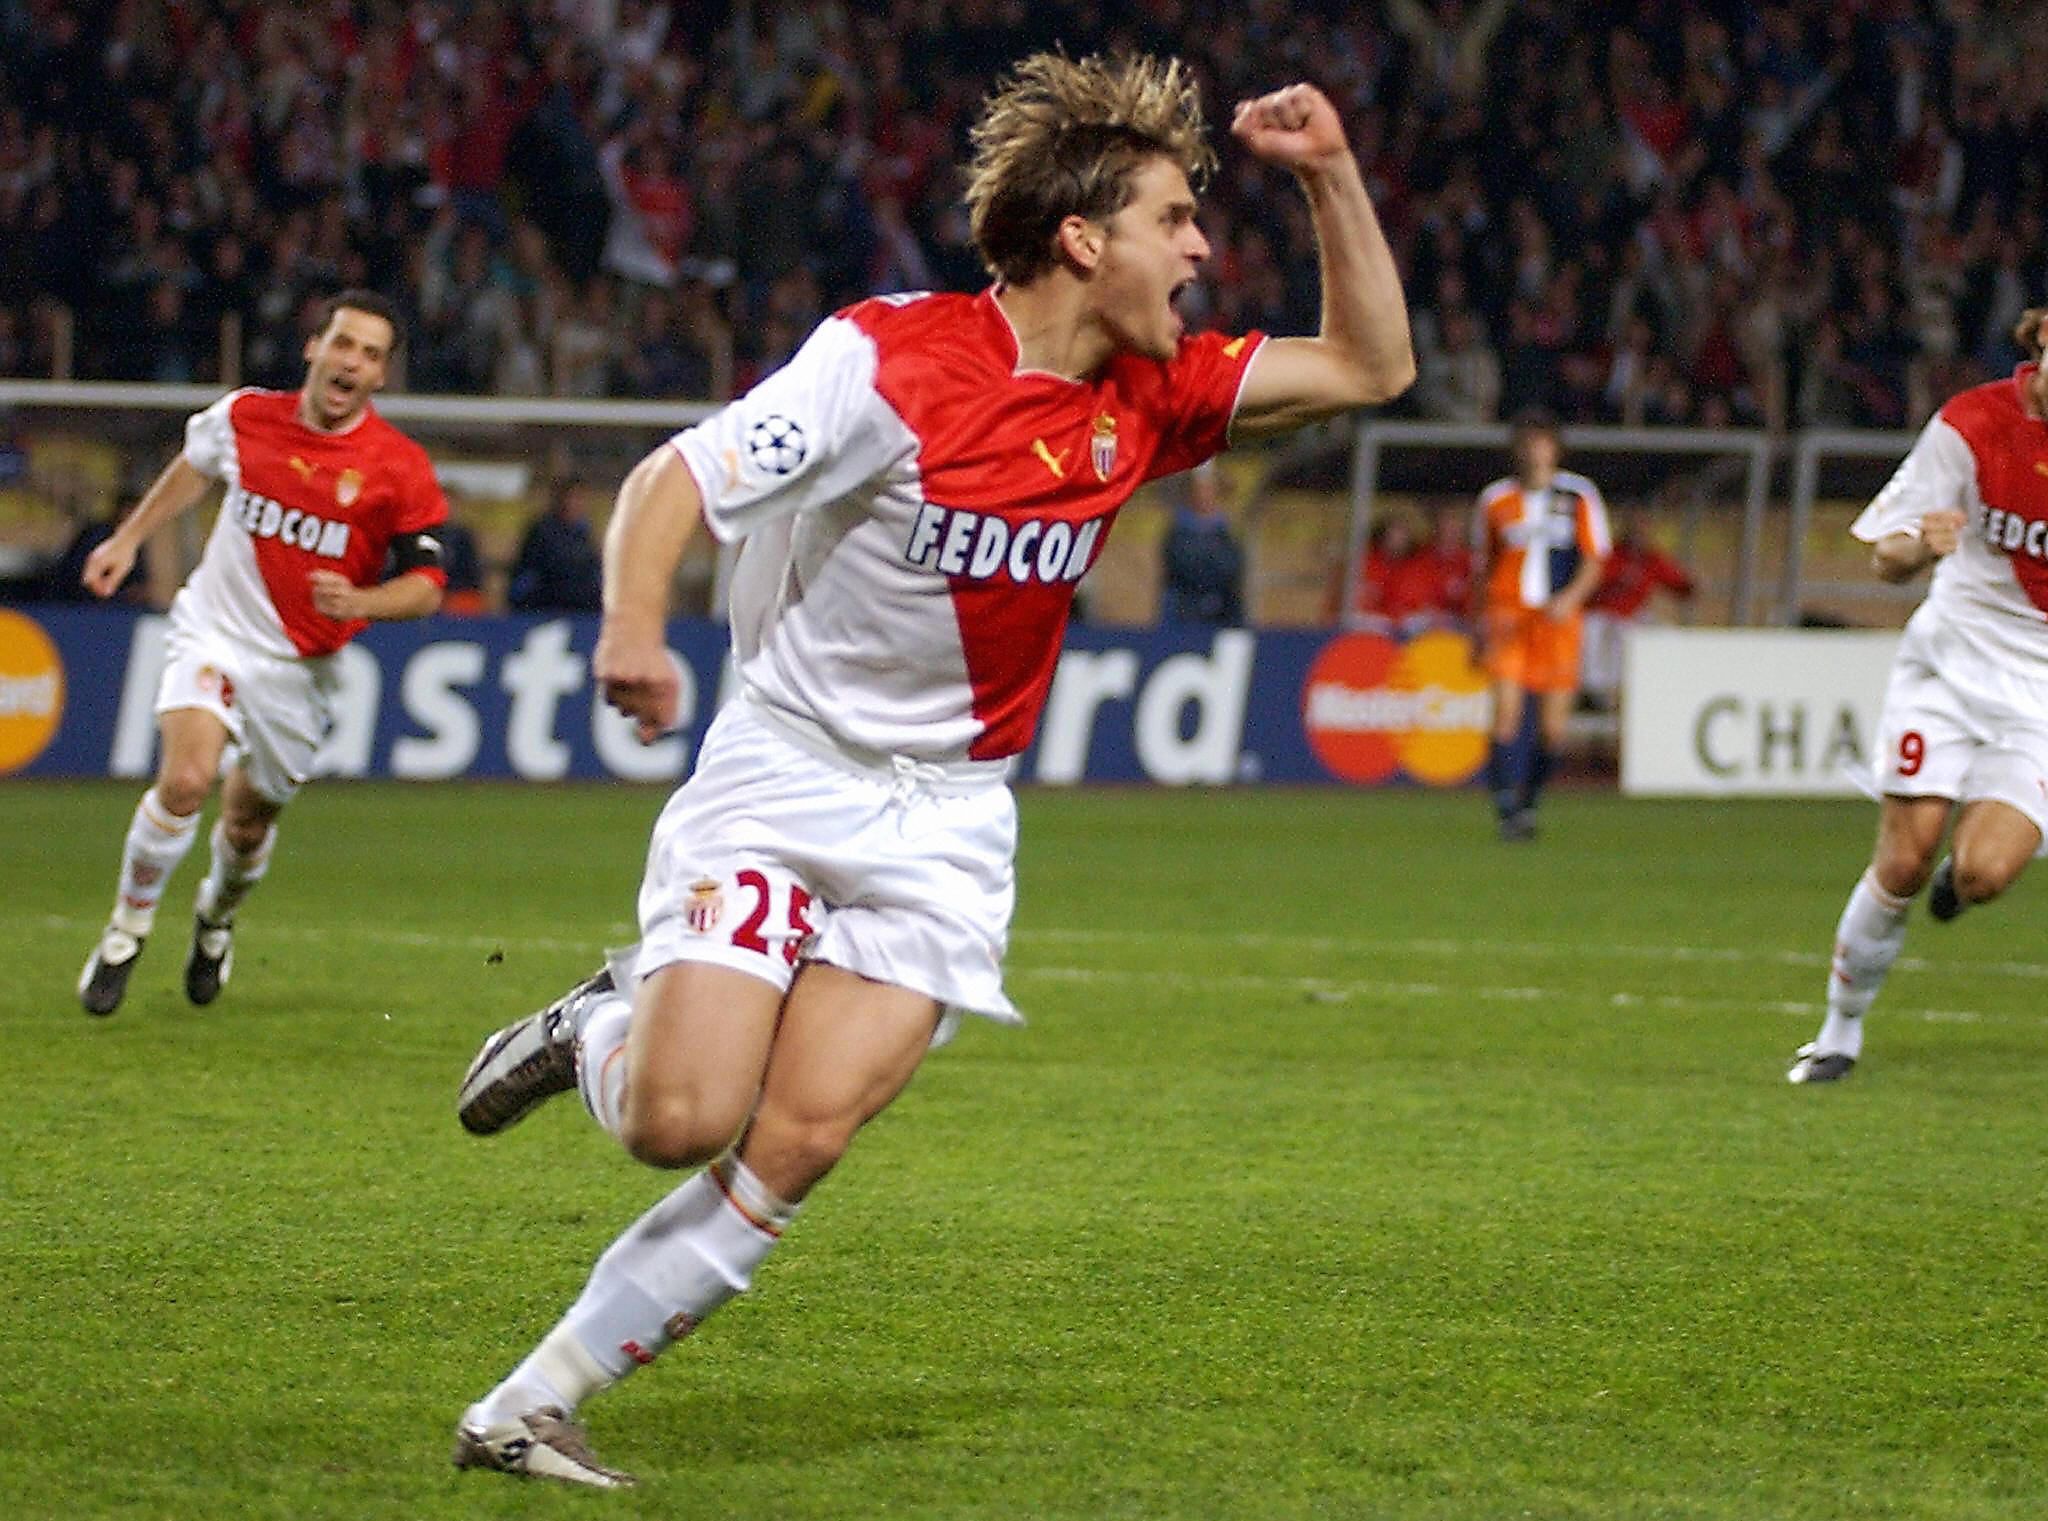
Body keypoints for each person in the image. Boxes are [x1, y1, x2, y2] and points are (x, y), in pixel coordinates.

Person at [448, 52, 1414, 1488]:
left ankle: (529, 1404)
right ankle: (600, 1026)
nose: (1200, 250)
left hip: (949, 821)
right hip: (785, 777)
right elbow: (675, 478)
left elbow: (1370, 368)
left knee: (800, 1137)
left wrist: (1330, 171)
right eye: (1172, 220)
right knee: (677, 1119)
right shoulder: (886, 361)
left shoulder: (1152, 393)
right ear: (1081, 240)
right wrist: (633, 631)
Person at [75, 290, 448, 1016]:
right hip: (214, 631)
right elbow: (195, 465)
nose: (352, 362)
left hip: (300, 669)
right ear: (315, 347)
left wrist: (362, 602)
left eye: (371, 354)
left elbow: (428, 587)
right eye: (344, 343)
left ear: (381, 375)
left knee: (247, 826)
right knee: (186, 780)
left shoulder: (397, 468)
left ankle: (214, 918)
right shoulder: (246, 416)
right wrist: (127, 538)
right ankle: (126, 929)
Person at [1787, 307, 2048, 1085]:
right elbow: (1887, 556)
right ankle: (1838, 1030)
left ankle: (1958, 882)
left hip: (2037, 691)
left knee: (1984, 874)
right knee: (1903, 857)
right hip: (1949, 663)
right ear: (2040, 344)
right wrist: (1919, 550)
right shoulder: (1970, 424)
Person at [1471, 409, 1610, 840]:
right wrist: (1478, 624)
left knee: (1553, 729)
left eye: (1542, 442)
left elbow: (1595, 558)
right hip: (1508, 616)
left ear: (1555, 448)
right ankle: (1506, 809)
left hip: (1558, 621)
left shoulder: (1578, 495)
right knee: (1506, 716)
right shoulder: (1496, 499)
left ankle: (1529, 801)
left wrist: (1570, 598)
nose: (1534, 451)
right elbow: (1484, 566)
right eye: (1527, 443)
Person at [1580, 506, 1694, 709]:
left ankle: (1664, 688)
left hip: (1633, 616)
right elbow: (1592, 583)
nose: (1639, 534)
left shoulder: (1652, 559)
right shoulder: (1611, 554)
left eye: (1643, 529)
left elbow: (1680, 584)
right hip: (1602, 613)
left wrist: (1690, 586)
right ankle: (1593, 692)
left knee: (1666, 636)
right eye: (1635, 529)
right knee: (1596, 632)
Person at [1159, 459, 1244, 624]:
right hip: (1185, 607)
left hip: (1223, 607)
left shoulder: (1226, 532)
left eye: (1209, 490)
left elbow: (1233, 566)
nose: (1205, 496)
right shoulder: (1179, 530)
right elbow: (1181, 566)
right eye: (1200, 490)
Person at [507, 483, 605, 612]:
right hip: (546, 603)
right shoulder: (542, 532)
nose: (571, 504)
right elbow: (528, 573)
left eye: (578, 499)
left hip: (582, 605)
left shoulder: (585, 533)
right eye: (568, 498)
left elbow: (594, 571)